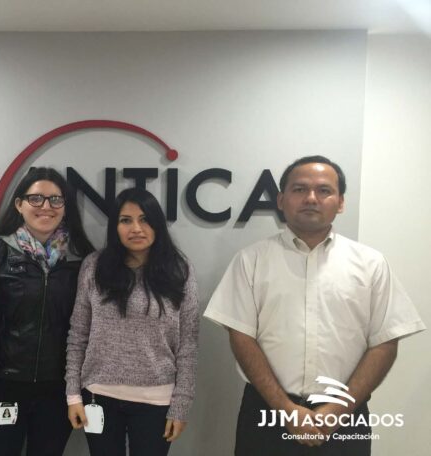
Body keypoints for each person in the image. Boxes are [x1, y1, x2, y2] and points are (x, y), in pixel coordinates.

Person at [204, 155, 426, 456]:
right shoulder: (251, 260)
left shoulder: (371, 264)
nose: (311, 198)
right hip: (266, 413)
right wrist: (285, 408)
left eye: (324, 190)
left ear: (341, 202)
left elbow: (385, 341)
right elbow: (241, 337)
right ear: (280, 200)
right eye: (299, 189)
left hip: (346, 416)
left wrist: (338, 409)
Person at [66, 188, 199, 456]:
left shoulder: (179, 269)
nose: (136, 228)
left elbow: (188, 344)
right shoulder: (94, 266)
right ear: (115, 226)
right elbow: (78, 334)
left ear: (157, 224)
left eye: (145, 219)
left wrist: (181, 405)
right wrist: (73, 395)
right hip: (99, 396)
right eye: (125, 220)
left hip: (156, 400)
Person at [0, 167, 94, 456]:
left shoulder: (83, 260)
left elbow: (86, 328)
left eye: (55, 200)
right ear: (19, 204)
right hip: (2, 384)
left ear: (65, 206)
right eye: (36, 199)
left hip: (57, 388)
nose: (46, 207)